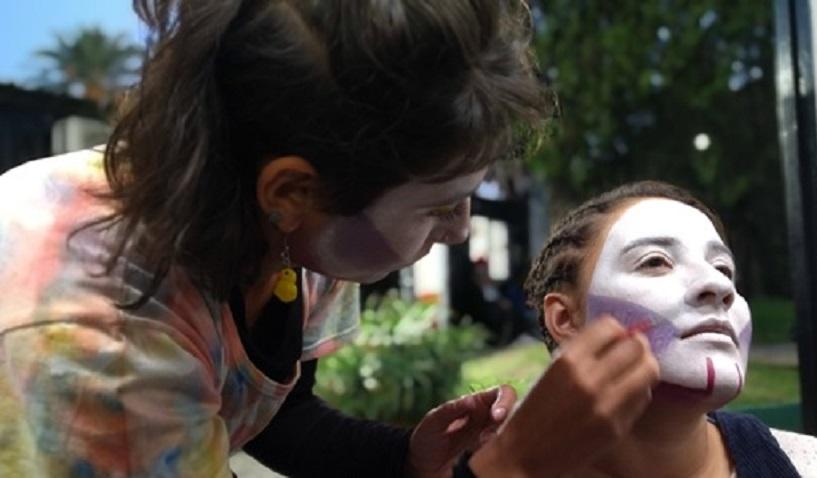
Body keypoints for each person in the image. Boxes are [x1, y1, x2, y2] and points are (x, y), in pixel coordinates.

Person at [0, 1, 661, 477]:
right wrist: (515, 467)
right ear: (291, 193)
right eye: (437, 207)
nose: (459, 231)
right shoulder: (100, 341)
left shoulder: (294, 231)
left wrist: (397, 457)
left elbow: (274, 415)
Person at [518, 181, 817, 477]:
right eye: (656, 262)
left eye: (723, 269)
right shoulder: (492, 467)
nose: (719, 287)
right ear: (565, 319)